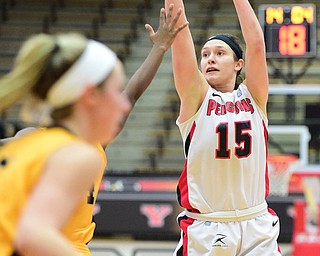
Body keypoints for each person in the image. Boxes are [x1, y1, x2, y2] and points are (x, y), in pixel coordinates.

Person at [0, 5, 187, 256]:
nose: (123, 103)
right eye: (114, 91)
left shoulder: (40, 145)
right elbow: (32, 234)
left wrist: (160, 47)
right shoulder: (69, 151)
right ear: (90, 96)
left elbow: (133, 93)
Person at [165, 0, 281, 255]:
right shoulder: (196, 98)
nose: (210, 59)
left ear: (239, 64)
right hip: (208, 226)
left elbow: (258, 46)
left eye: (220, 53)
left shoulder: (254, 97)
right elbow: (181, 40)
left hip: (256, 224)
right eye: (205, 54)